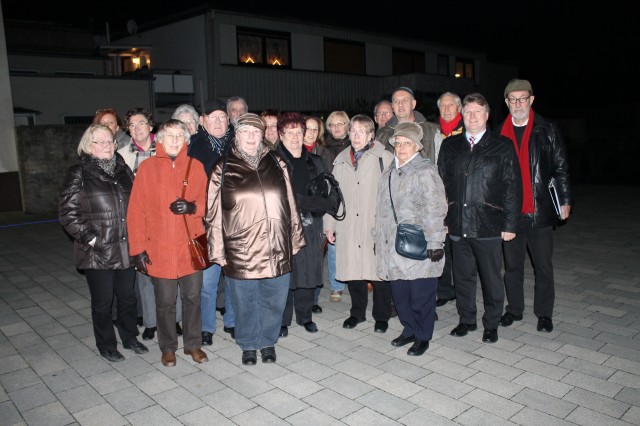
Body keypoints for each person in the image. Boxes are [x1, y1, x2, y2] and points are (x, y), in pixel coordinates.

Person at [205, 113, 306, 365]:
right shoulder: (223, 166)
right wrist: (217, 249)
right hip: (242, 248)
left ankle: (268, 341)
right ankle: (248, 344)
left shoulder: (276, 161)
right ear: (236, 135)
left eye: (255, 132)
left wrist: (295, 237)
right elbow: (213, 213)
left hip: (276, 245)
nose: (251, 137)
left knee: (274, 298)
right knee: (245, 300)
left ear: (263, 135)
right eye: (245, 132)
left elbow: (291, 202)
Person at [437, 93, 522, 344]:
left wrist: (510, 224)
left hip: (488, 223)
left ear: (487, 115)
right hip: (458, 222)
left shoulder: (502, 145)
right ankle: (466, 320)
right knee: (462, 276)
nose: (472, 116)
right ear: (462, 115)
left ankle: (491, 323)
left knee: (491, 277)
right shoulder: (450, 146)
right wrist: (442, 219)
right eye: (468, 111)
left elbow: (512, 187)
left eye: (478, 112)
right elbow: (440, 185)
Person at [59, 124, 148, 362]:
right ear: (89, 145)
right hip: (97, 251)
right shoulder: (79, 172)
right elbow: (68, 211)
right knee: (103, 302)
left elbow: (137, 203)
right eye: (100, 142)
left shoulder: (122, 168)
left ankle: (130, 337)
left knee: (128, 298)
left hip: (125, 246)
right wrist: (90, 237)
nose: (107, 146)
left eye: (109, 141)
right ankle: (106, 344)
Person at [127, 119, 209, 367]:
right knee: (164, 303)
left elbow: (209, 202)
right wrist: (138, 249)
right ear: (159, 139)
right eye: (169, 135)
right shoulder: (147, 168)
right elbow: (136, 211)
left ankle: (193, 344)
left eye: (179, 135)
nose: (174, 140)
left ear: (186, 140)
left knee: (193, 298)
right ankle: (168, 347)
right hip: (159, 249)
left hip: (189, 247)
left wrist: (193, 207)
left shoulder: (195, 167)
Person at [497, 79, 572, 333]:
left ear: (531, 100)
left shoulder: (546, 129)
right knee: (513, 267)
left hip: (539, 210)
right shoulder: (498, 133)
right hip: (511, 215)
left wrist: (565, 199)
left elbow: (561, 167)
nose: (518, 103)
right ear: (507, 103)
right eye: (513, 99)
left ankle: (544, 314)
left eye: (523, 98)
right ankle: (514, 310)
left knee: (543, 266)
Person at [373, 122, 447, 356]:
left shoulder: (425, 171)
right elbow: (382, 211)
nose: (402, 148)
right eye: (399, 143)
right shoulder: (389, 173)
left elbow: (435, 208)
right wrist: (378, 237)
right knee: (401, 297)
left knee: (420, 297)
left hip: (418, 245)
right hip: (393, 247)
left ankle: (423, 335)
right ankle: (409, 329)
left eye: (408, 144)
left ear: (417, 146)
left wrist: (436, 243)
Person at [118, 108, 183, 341]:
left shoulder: (167, 146)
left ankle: (174, 320)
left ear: (151, 126)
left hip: (168, 219)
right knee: (145, 274)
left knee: (171, 273)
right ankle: (150, 322)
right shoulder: (122, 154)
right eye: (132, 125)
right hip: (142, 219)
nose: (137, 128)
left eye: (141, 123)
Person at [325, 114, 394, 333]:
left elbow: (394, 194)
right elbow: (332, 197)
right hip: (348, 225)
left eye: (361, 131)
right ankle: (357, 313)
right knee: (354, 272)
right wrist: (330, 225)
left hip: (374, 226)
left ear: (371, 134)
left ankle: (381, 316)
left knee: (379, 274)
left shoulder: (385, 157)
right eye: (353, 131)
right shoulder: (341, 160)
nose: (356, 136)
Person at [276, 112, 336, 337]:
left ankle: (305, 316)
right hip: (284, 225)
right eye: (289, 133)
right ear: (281, 136)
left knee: (308, 273)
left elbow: (328, 195)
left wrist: (309, 204)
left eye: (298, 132)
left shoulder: (316, 161)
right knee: (286, 273)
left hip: (312, 223)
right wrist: (305, 201)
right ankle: (283, 320)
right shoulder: (273, 161)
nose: (294, 137)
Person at [187, 98, 236, 346]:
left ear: (228, 120)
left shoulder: (239, 144)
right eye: (212, 117)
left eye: (222, 117)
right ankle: (206, 327)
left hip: (235, 222)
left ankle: (232, 321)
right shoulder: (193, 148)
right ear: (203, 121)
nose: (218, 121)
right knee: (207, 281)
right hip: (205, 222)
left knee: (234, 276)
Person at [435, 92, 464, 308]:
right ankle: (445, 289)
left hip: (461, 196)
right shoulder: (433, 132)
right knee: (442, 244)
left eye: (450, 106)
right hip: (437, 196)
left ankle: (462, 288)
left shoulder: (468, 131)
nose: (446, 110)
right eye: (443, 106)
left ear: (459, 109)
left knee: (460, 246)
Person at [323, 111, 351, 303]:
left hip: (353, 200)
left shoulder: (355, 145)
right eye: (332, 124)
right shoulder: (322, 149)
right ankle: (336, 285)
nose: (336, 127)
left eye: (340, 123)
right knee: (333, 246)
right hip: (332, 202)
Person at [376, 86, 442, 164]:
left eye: (405, 100)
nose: (400, 104)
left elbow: (440, 163)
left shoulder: (432, 130)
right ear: (392, 107)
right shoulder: (382, 134)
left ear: (413, 104)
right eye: (396, 101)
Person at [303, 115, 329, 313]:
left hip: (318, 212)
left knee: (316, 259)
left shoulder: (323, 154)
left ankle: (313, 299)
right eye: (307, 129)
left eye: (314, 130)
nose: (311, 133)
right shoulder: (292, 151)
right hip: (300, 213)